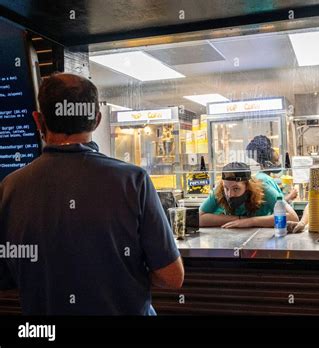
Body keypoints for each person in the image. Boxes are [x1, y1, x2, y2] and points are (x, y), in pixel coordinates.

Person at [0, 73, 184, 315]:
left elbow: (5, 279)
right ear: (97, 120)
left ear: (38, 120)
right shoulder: (133, 181)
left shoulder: (9, 188)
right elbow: (171, 276)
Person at [199, 162, 298, 228]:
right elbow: (199, 218)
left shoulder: (263, 187)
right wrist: (239, 219)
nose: (229, 194)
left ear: (247, 186)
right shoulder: (219, 190)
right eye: (226, 188)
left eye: (236, 188)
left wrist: (251, 221)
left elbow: (293, 217)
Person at [246, 135, 298, 202]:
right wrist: (291, 195)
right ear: (268, 164)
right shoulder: (264, 179)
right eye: (276, 161)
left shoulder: (263, 177)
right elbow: (278, 203)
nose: (279, 163)